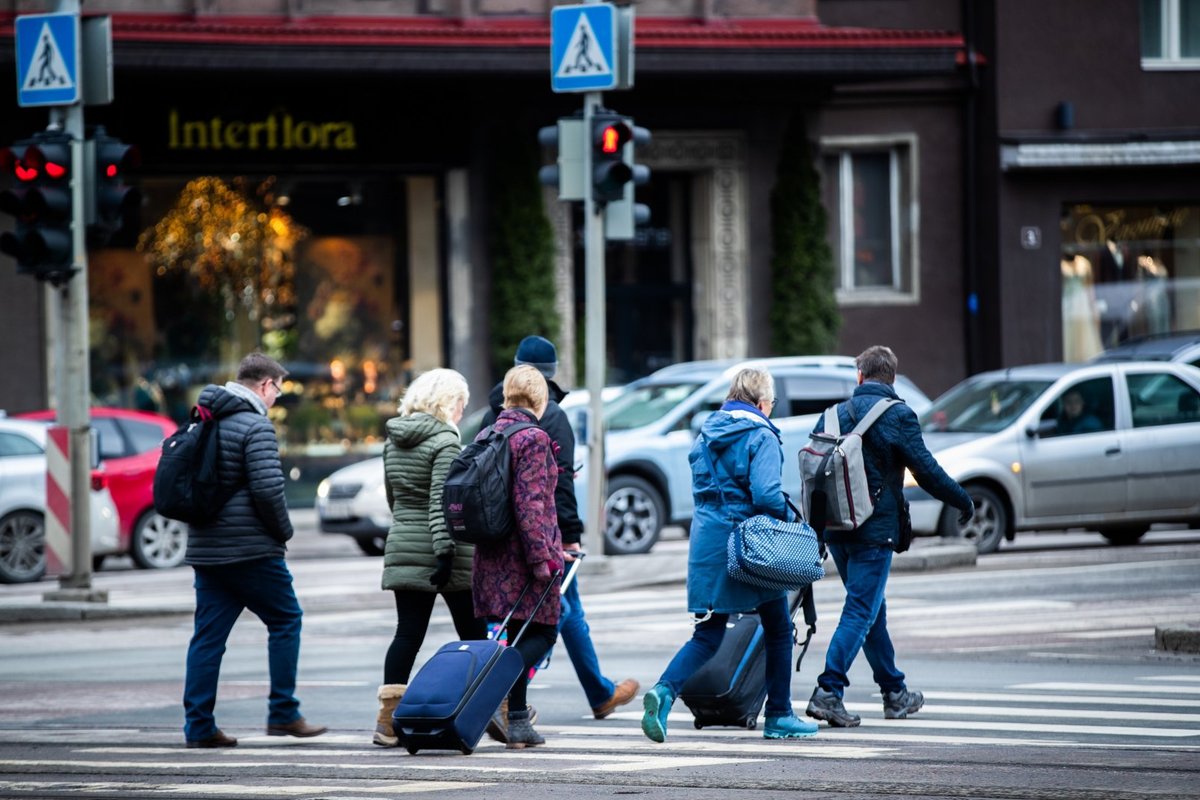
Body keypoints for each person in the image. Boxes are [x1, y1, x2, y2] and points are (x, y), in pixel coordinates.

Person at [641, 367, 818, 743]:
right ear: (759, 402)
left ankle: (664, 691)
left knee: (707, 632)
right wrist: (792, 518)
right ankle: (780, 715)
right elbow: (766, 494)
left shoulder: (707, 432)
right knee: (779, 628)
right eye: (769, 403)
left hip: (708, 540)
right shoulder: (761, 435)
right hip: (750, 546)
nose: (770, 410)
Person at [805, 345, 974, 728]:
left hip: (835, 529)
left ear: (860, 377)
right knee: (862, 611)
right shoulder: (898, 415)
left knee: (870, 611)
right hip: (874, 532)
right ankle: (829, 690)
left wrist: (815, 532)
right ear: (892, 378)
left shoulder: (833, 414)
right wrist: (962, 500)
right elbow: (927, 471)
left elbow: (816, 474)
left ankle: (894, 692)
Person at [482, 335, 638, 736]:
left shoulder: (491, 419)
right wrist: (567, 538)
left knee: (567, 616)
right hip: (540, 541)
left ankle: (598, 692)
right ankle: (504, 697)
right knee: (550, 620)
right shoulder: (547, 421)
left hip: (499, 541)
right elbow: (552, 490)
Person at [182, 352, 327, 748]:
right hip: (251, 549)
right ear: (264, 385)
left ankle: (198, 726)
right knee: (286, 619)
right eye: (277, 389)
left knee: (207, 638)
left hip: (207, 548)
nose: (276, 398)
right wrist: (284, 531)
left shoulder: (203, 418)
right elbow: (267, 490)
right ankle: (283, 712)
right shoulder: (255, 426)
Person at [372, 368, 487, 747]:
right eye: (460, 404)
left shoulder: (394, 439)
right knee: (474, 637)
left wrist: (409, 529)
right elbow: (444, 504)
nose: (460, 412)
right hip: (445, 554)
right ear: (447, 402)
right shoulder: (445, 442)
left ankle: (386, 723)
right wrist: (444, 552)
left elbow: (395, 500)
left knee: (407, 634)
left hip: (403, 543)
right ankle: (494, 711)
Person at [473, 365, 564, 749]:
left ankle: (518, 721)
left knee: (516, 633)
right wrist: (542, 558)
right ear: (539, 399)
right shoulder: (532, 438)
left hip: (489, 554)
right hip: (523, 558)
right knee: (544, 632)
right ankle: (494, 693)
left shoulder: (487, 433)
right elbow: (530, 504)